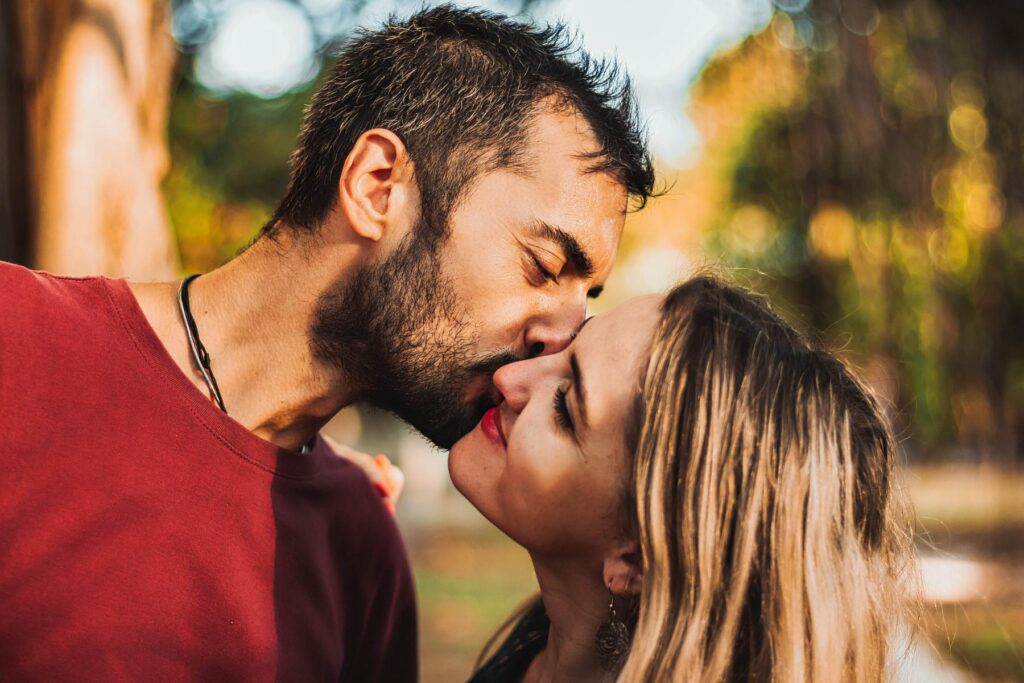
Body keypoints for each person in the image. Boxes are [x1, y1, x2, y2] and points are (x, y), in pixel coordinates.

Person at [0, 6, 654, 680]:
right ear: (377, 186)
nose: (562, 338)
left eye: (585, 298)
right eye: (545, 266)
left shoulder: (364, 552)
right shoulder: (15, 338)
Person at [450, 275, 915, 683]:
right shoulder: (534, 640)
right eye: (568, 348)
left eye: (565, 410)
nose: (510, 377)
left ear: (635, 559)